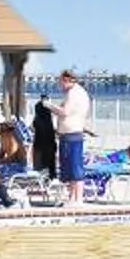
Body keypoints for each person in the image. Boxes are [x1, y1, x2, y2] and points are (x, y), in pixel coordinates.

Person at [53, 68, 92, 196]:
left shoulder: (74, 93)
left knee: (75, 168)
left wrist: (49, 106)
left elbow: (65, 112)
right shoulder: (76, 92)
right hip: (69, 135)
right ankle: (72, 198)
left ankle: (77, 199)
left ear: (67, 81)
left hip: (72, 135)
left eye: (60, 83)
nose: (60, 86)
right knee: (70, 169)